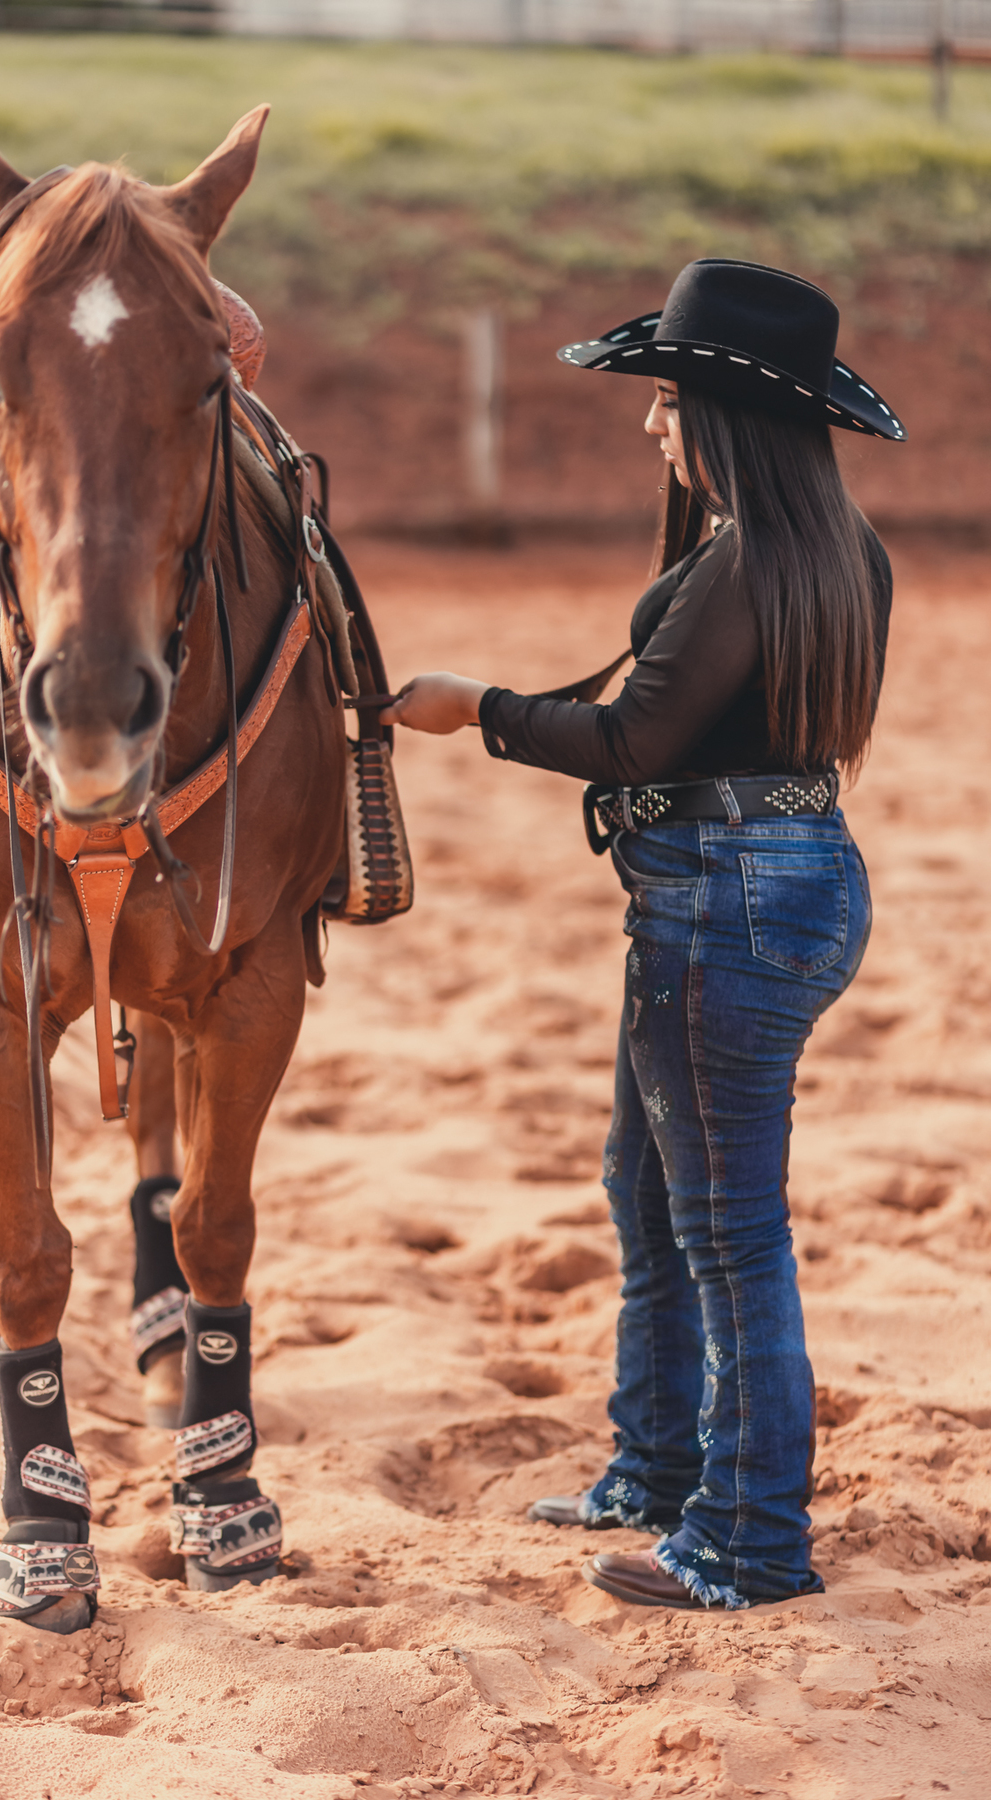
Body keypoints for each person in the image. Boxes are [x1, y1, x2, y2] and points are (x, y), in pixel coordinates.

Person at [381, 258, 903, 1611]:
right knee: (652, 1187)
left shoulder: (738, 565)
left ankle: (747, 1539)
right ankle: (661, 1467)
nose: (651, 422)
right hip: (791, 873)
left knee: (727, 1228)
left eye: (668, 400)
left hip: (716, 897)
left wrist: (475, 707)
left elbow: (635, 739)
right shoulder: (843, 551)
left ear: (722, 417)